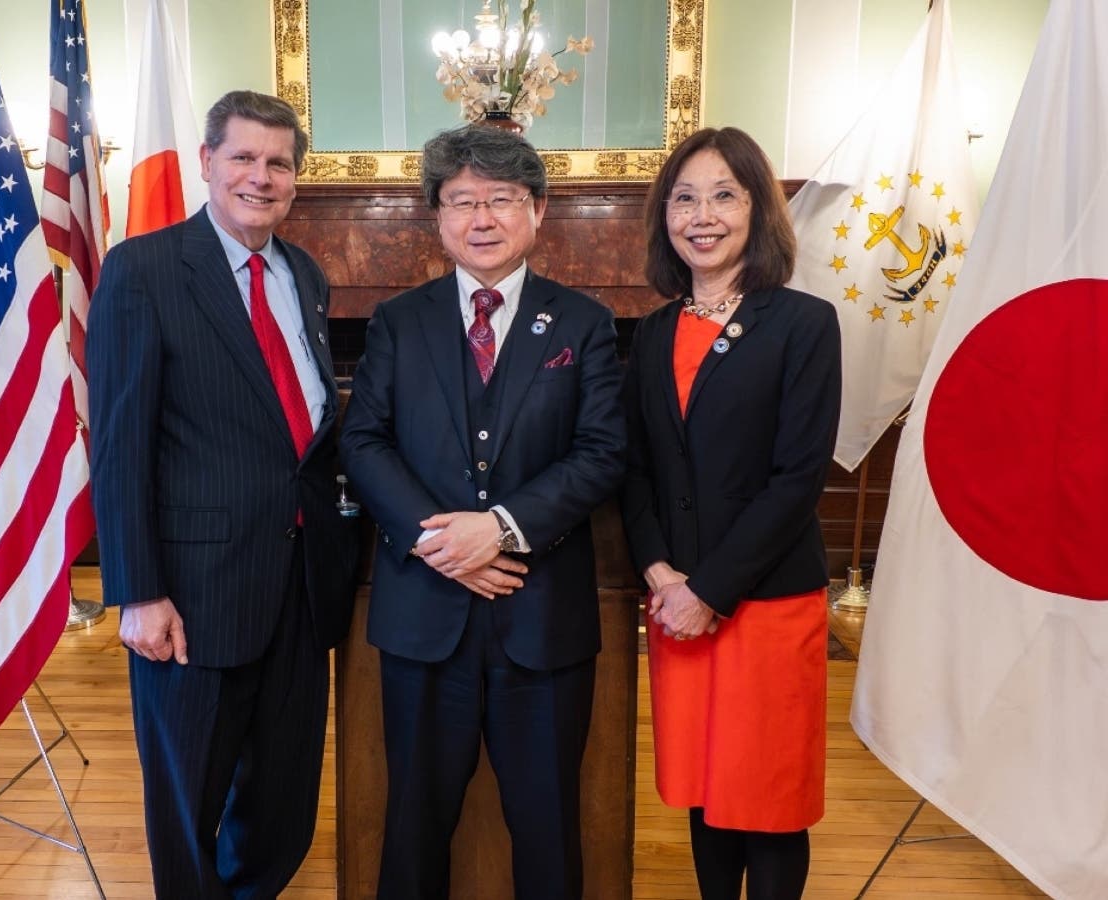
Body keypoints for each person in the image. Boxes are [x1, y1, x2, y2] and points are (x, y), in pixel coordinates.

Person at [339, 124, 626, 900]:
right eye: (462, 201)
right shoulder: (400, 320)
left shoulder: (584, 324)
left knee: (549, 827)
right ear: (438, 217)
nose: (482, 218)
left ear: (537, 211)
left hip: (542, 620)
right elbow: (362, 441)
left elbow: (602, 451)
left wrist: (495, 529)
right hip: (424, 616)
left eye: (501, 199)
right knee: (413, 824)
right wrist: (441, 541)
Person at [87, 90, 358, 899]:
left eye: (279, 163)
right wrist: (136, 592)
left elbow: (302, 437)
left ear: (296, 180)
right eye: (243, 157)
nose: (260, 177)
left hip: (301, 590)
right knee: (189, 802)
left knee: (283, 808)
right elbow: (120, 446)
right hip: (192, 598)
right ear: (206, 162)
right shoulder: (143, 269)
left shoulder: (304, 273)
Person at [620, 127, 842, 899]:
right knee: (708, 793)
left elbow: (797, 479)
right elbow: (636, 469)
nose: (701, 215)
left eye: (723, 194)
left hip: (765, 604)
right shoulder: (650, 334)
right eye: (684, 198)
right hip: (674, 600)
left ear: (759, 209)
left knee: (769, 801)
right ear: (665, 217)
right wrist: (659, 574)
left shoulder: (804, 324)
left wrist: (708, 592)